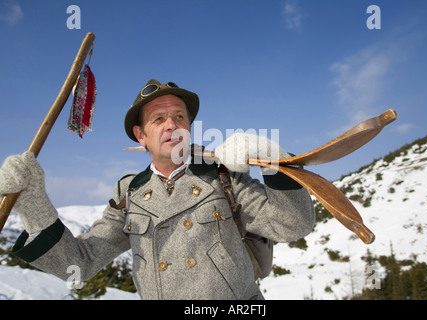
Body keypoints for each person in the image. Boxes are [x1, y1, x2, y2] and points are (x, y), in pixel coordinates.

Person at [0, 79, 315, 300]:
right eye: (159, 119)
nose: (172, 124)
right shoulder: (130, 194)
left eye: (180, 117)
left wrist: (274, 162)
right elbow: (79, 264)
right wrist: (32, 204)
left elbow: (293, 224)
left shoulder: (223, 177)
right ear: (141, 136)